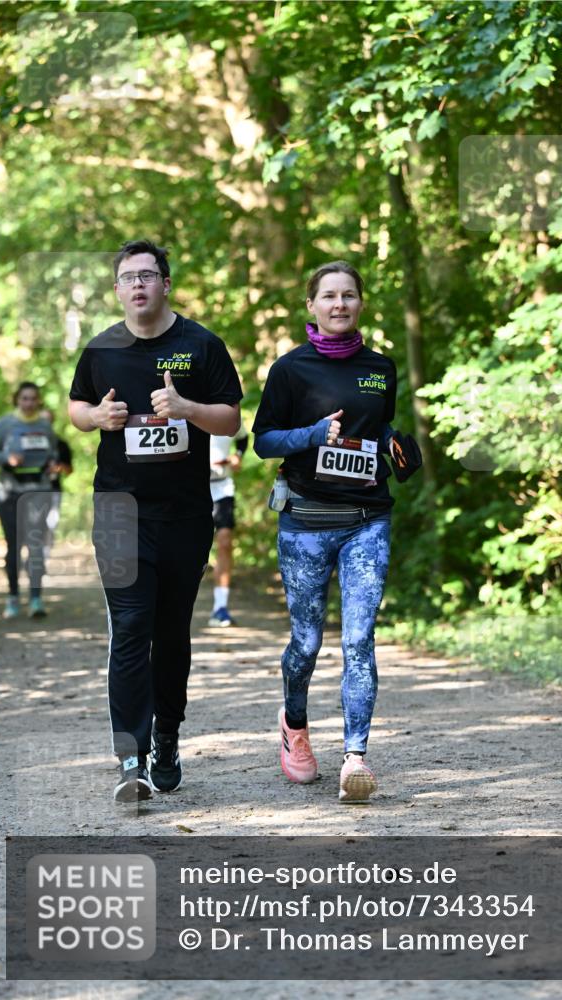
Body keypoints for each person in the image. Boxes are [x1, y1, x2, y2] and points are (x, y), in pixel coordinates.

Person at [68, 239, 242, 803]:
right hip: (119, 510)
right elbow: (76, 408)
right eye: (127, 277)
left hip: (185, 513)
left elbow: (232, 420)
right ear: (117, 289)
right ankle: (130, 759)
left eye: (148, 275)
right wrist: (96, 416)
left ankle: (167, 733)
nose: (138, 284)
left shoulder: (201, 345)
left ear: (166, 284)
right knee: (131, 627)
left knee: (170, 632)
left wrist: (188, 410)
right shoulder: (100, 350)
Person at [253, 260, 399, 803]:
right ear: (311, 305)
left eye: (349, 295)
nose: (340, 304)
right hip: (306, 522)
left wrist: (395, 444)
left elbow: (378, 425)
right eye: (329, 296)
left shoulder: (381, 368)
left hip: (367, 521)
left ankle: (355, 758)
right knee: (308, 643)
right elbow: (263, 440)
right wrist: (311, 435)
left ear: (361, 303)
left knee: (359, 640)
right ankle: (293, 725)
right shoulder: (290, 369)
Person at [0, 382, 57, 618]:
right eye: (24, 398)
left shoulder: (45, 426)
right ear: (17, 400)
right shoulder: (4, 424)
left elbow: (53, 454)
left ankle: (36, 599)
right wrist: (7, 458)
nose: (28, 403)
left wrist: (51, 466)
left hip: (39, 492)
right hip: (9, 492)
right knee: (14, 546)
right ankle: (13, 597)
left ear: (39, 401)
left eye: (33, 398)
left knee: (36, 545)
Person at [208, 428, 248, 627]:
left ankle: (220, 607)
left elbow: (243, 438)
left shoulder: (226, 411)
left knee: (225, 542)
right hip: (192, 488)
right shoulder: (185, 409)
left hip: (222, 487)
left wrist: (237, 456)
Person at [39, 408, 73, 559]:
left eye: (48, 420)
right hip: (33, 489)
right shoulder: (30, 442)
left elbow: (69, 469)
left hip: (54, 490)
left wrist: (58, 467)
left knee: (51, 522)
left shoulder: (61, 444)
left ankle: (44, 555)